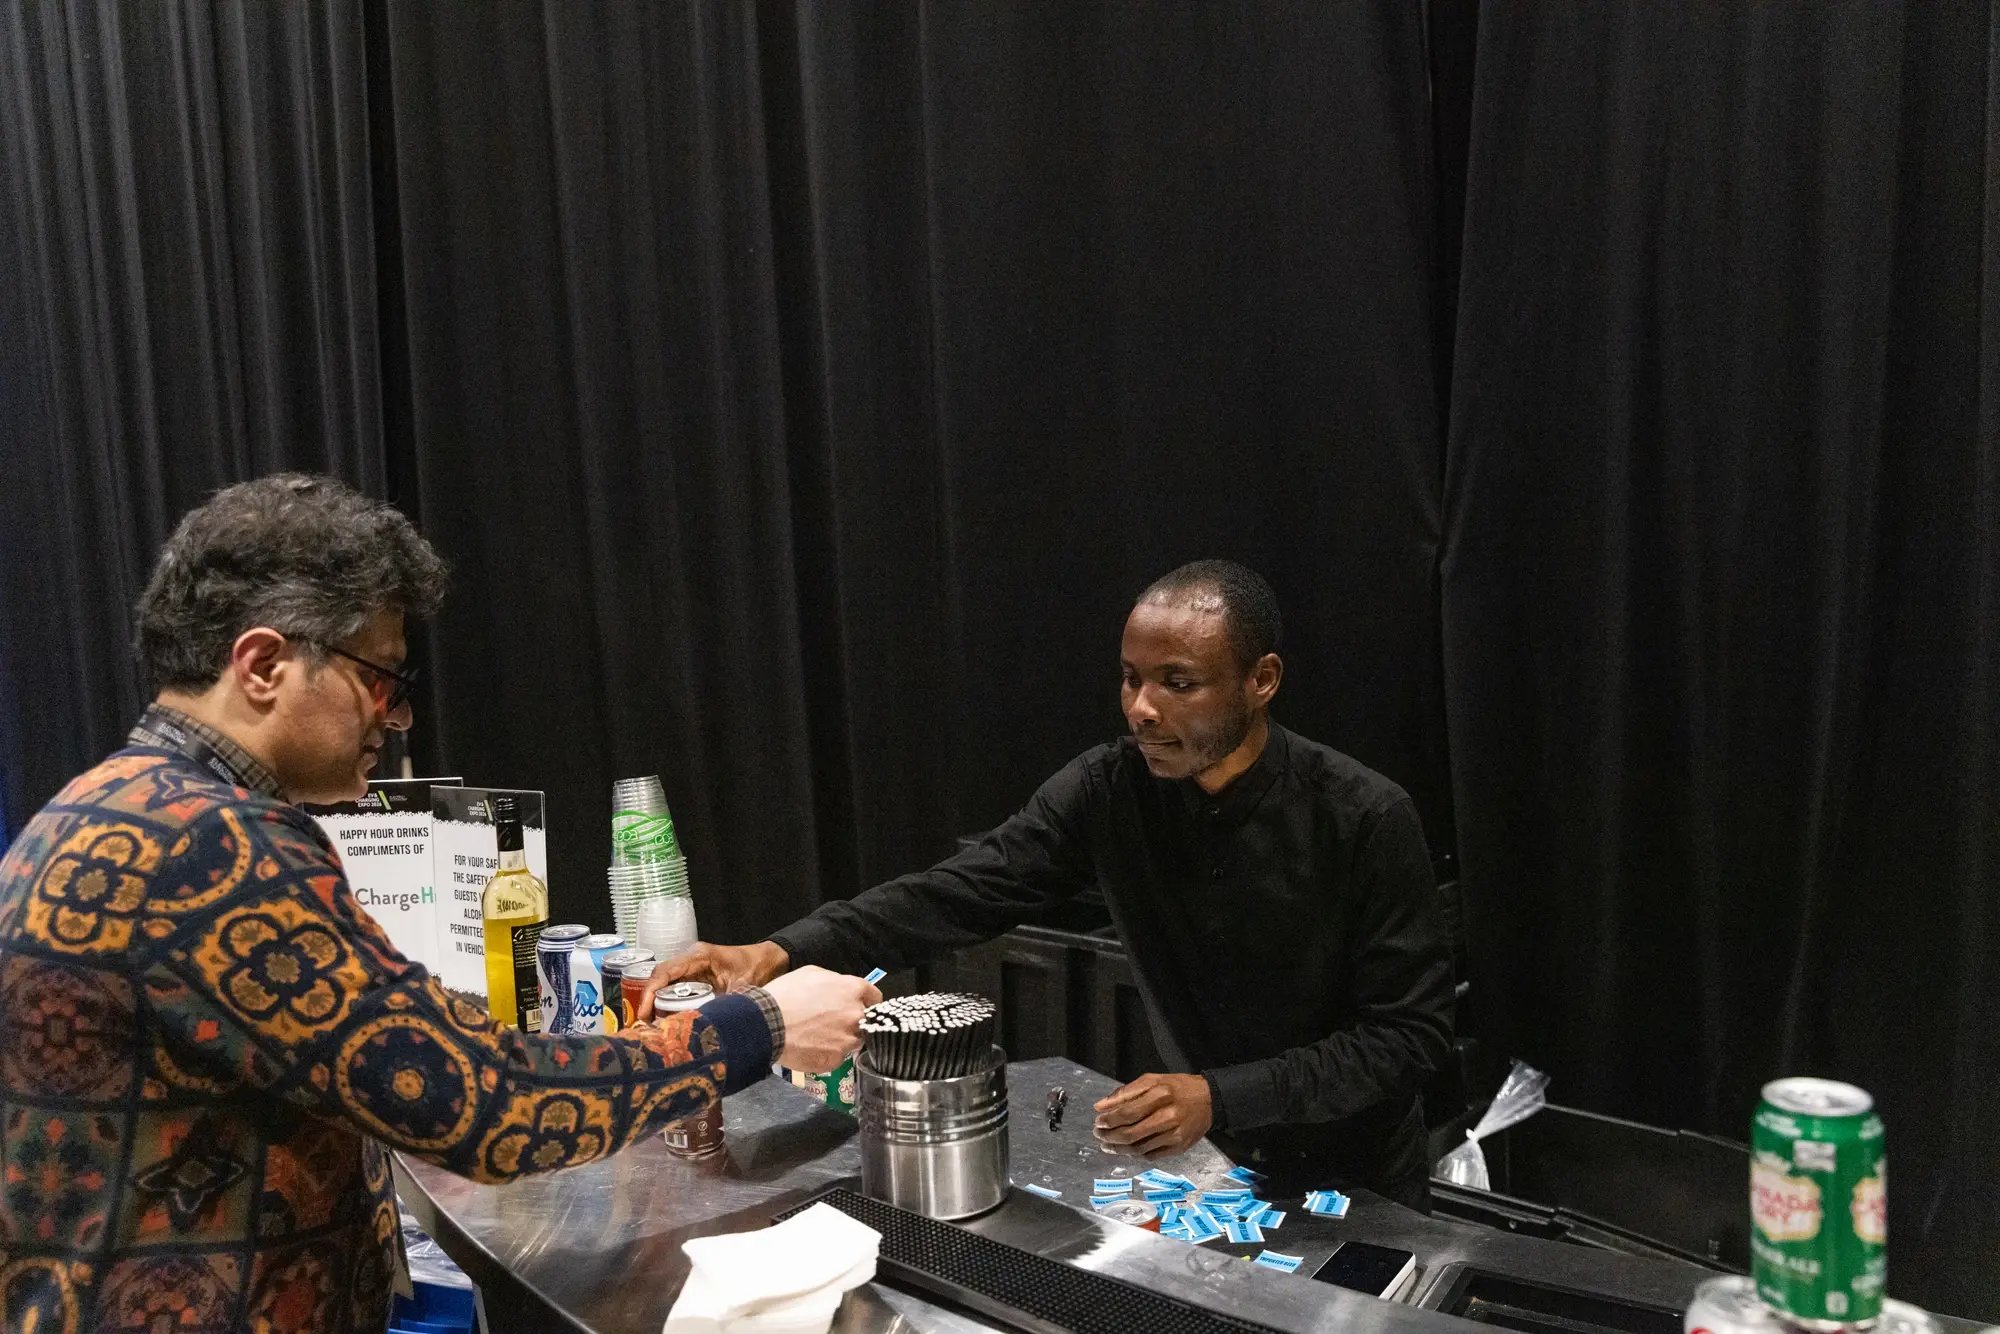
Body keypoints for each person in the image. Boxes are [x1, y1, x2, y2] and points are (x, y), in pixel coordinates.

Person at [0, 475, 878, 1333]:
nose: (395, 718)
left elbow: (392, 1039)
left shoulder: (107, 807)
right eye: (377, 679)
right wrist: (756, 1025)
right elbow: (484, 1107)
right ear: (263, 664)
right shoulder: (212, 847)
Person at [643, 560, 1453, 1209]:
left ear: (1262, 680)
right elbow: (961, 890)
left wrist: (1220, 1094)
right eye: (1130, 678)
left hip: (1362, 1176)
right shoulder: (1109, 789)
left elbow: (1407, 1039)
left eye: (1178, 683)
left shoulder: (1366, 817)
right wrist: (779, 950)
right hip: (1214, 1163)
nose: (1141, 709)